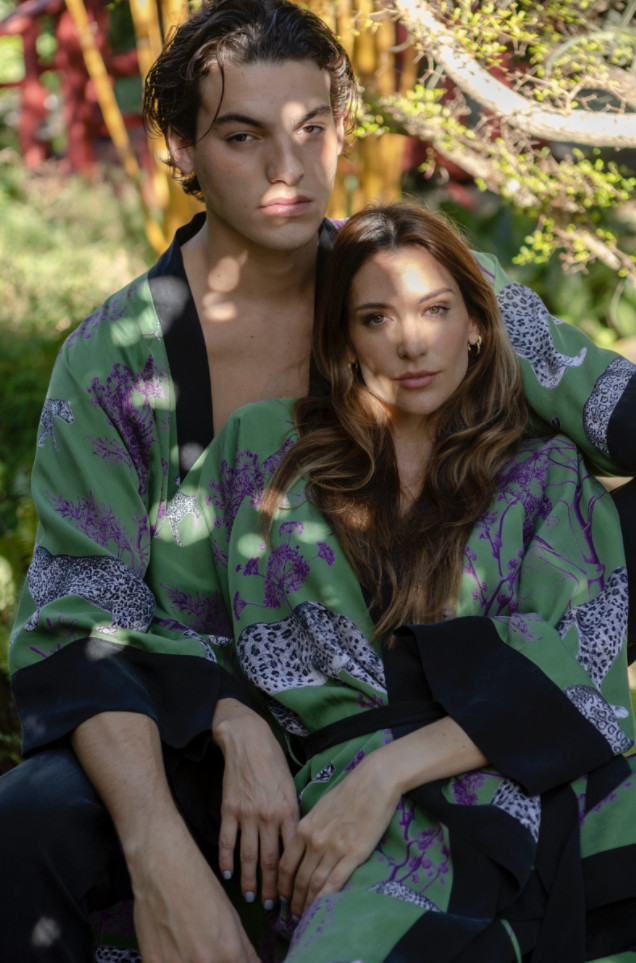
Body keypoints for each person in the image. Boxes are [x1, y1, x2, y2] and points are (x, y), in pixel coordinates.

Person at [0, 0, 634, 960]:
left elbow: (604, 401)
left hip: (462, 682)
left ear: (342, 132)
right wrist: (176, 824)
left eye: (309, 130)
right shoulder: (118, 361)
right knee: (33, 817)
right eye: (242, 136)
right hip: (226, 716)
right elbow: (82, 620)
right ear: (182, 148)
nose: (285, 168)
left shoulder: (416, 281)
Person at [170, 202, 636, 962]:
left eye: (437, 309)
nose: (412, 342)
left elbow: (584, 670)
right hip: (348, 820)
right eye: (376, 318)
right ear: (343, 339)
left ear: (479, 324)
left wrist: (388, 772)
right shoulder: (263, 453)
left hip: (540, 784)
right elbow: (164, 622)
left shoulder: (546, 473)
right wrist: (236, 720)